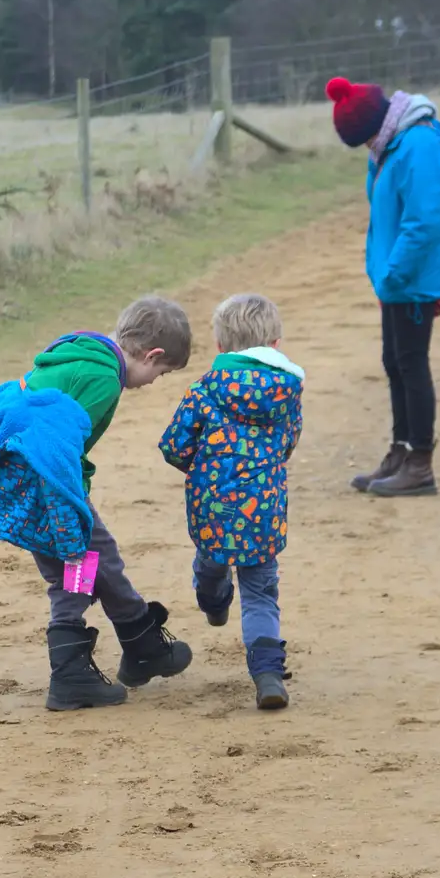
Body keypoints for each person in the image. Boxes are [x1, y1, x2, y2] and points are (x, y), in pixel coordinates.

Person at [0, 297, 194, 712]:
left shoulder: (80, 350)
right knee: (80, 567)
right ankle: (75, 671)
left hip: (29, 477)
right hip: (47, 486)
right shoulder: (104, 379)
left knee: (94, 561)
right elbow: (60, 442)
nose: (156, 381)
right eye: (162, 372)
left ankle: (138, 643)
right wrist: (72, 503)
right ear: (152, 355)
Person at [159, 293, 303, 712]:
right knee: (260, 594)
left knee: (211, 563)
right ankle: (268, 674)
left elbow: (174, 445)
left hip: (213, 510)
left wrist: (199, 465)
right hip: (265, 512)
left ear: (220, 347)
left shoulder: (205, 389)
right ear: (274, 344)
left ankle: (214, 602)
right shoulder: (288, 391)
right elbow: (289, 442)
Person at [326, 76, 440, 498]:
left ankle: (420, 463)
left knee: (411, 364)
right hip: (395, 279)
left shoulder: (417, 147)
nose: (366, 148)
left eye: (364, 141)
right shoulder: (391, 145)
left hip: (412, 278)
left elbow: (424, 222)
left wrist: (393, 273)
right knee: (394, 362)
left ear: (374, 127)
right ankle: (401, 451)